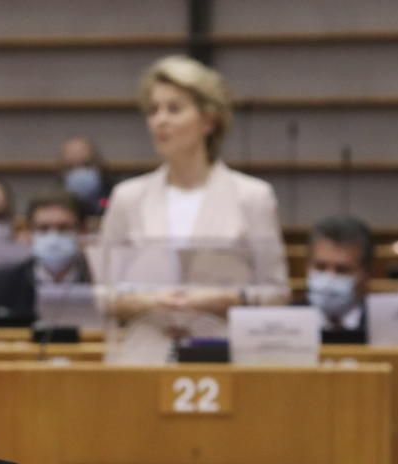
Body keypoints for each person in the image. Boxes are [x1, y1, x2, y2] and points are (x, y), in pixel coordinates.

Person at [99, 55, 288, 318]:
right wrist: (150, 301)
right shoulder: (127, 198)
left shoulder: (253, 197)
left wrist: (223, 299)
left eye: (174, 109)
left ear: (208, 121)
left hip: (222, 348)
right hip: (145, 351)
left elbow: (276, 293)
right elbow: (102, 294)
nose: (160, 121)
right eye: (153, 110)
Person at [0, 189, 89, 326]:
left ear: (82, 231)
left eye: (63, 228)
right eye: (43, 228)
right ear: (29, 233)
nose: (53, 237)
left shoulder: (99, 281)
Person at [306, 215, 372, 343]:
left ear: (366, 274)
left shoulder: (381, 324)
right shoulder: (287, 322)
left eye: (342, 270)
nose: (329, 279)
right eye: (320, 267)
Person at [59, 136, 113, 220]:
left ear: (98, 164)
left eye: (85, 165)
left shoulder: (113, 196)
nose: (79, 173)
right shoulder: (55, 199)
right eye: (71, 167)